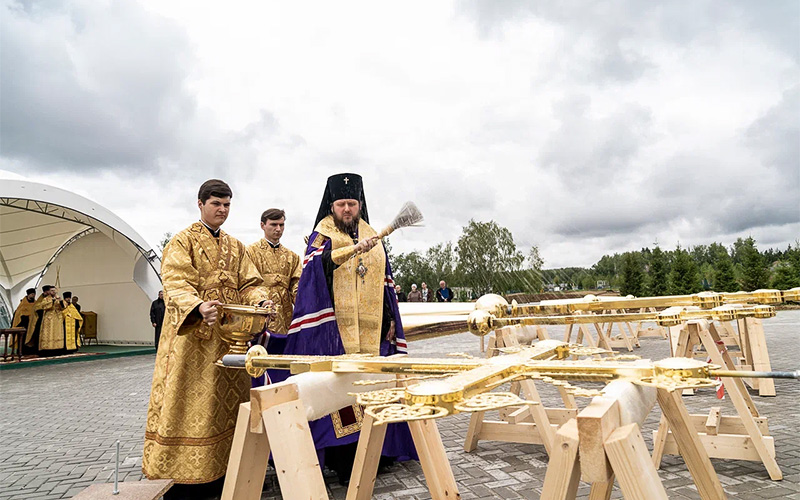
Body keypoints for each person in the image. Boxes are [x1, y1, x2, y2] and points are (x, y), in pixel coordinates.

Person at [269, 173, 416, 484]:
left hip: (373, 332)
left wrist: (390, 319)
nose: (347, 209)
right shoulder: (321, 235)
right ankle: (345, 460)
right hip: (334, 332)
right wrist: (350, 252)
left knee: (374, 388)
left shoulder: (371, 233)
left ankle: (380, 451)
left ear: (360, 204)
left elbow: (385, 283)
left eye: (352, 203)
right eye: (341, 204)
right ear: (331, 205)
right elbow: (315, 273)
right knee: (341, 394)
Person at [142, 179, 272, 498]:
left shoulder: (236, 246)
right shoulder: (182, 241)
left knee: (225, 406)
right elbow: (175, 282)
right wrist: (198, 306)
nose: (222, 210)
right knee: (189, 404)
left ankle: (225, 469)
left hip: (230, 338)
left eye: (227, 205)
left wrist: (261, 300)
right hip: (193, 342)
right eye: (216, 204)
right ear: (200, 204)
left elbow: (251, 282)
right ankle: (182, 476)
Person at [246, 209, 301, 336]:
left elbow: (297, 283)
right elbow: (247, 283)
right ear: (262, 225)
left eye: (281, 225)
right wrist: (261, 301)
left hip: (285, 313)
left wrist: (301, 298)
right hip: (261, 309)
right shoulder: (250, 252)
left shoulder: (292, 257)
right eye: (273, 224)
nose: (278, 229)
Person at [31, 285, 66, 356]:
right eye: (51, 290)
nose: (53, 292)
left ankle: (58, 349)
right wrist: (52, 302)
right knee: (48, 334)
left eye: (54, 290)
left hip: (57, 319)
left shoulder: (58, 298)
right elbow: (43, 306)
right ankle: (47, 350)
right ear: (49, 292)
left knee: (57, 333)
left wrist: (61, 302)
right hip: (49, 319)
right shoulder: (46, 299)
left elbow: (63, 307)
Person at [11, 288, 37, 352]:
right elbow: (18, 314)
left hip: (33, 324)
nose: (33, 295)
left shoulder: (36, 303)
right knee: (23, 338)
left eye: (34, 294)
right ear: (28, 295)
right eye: (32, 294)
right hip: (24, 324)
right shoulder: (22, 304)